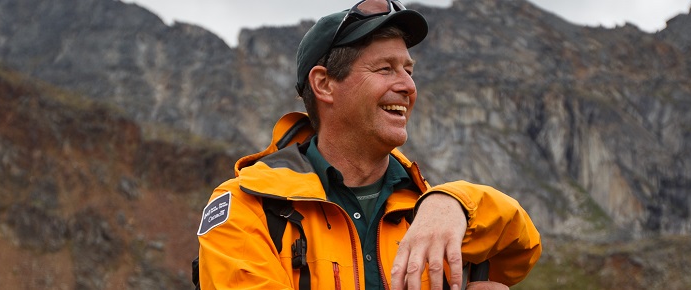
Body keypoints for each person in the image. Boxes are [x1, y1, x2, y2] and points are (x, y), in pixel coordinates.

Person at [196, 0, 541, 289]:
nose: (408, 85)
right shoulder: (246, 208)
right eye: (386, 69)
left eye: (409, 70)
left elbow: (520, 248)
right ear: (325, 84)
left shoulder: (428, 210)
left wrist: (456, 202)